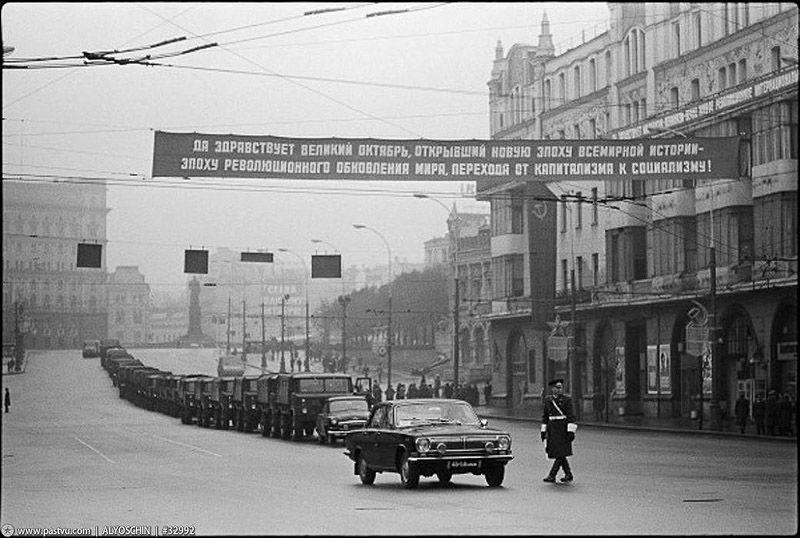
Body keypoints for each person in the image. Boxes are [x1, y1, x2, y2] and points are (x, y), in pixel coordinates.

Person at [541, 378, 576, 483]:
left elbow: (571, 416)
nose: (560, 389)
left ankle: (552, 475)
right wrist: (543, 431)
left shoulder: (567, 400)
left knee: (560, 453)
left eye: (561, 387)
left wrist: (571, 431)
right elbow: (545, 416)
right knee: (560, 453)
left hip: (563, 429)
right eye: (558, 387)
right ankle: (568, 474)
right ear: (553, 389)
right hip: (552, 429)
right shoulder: (548, 400)